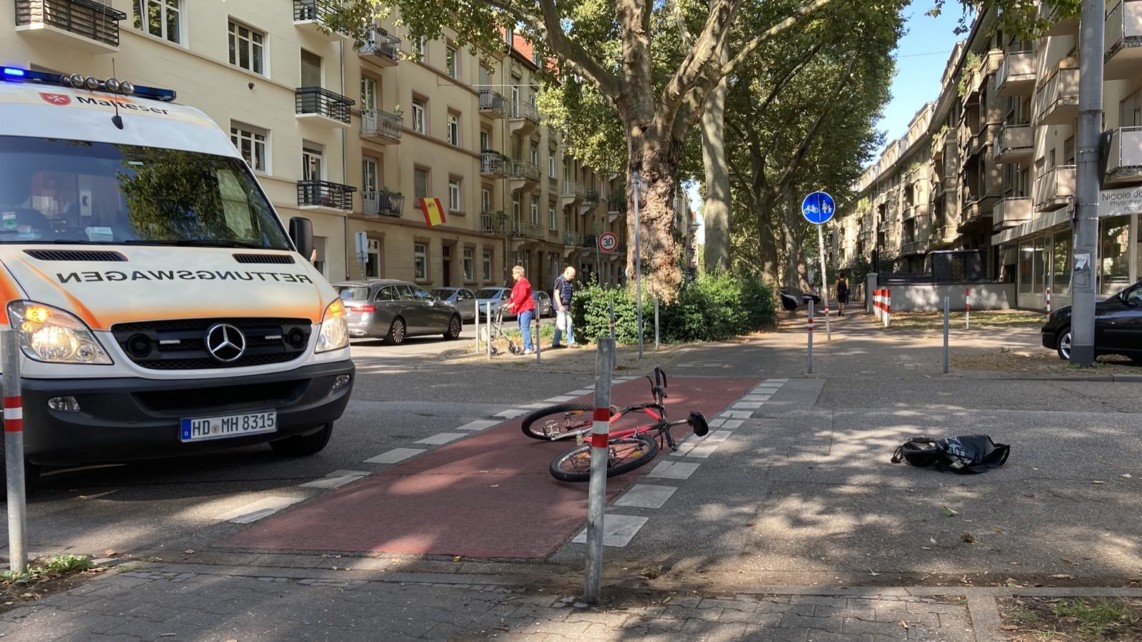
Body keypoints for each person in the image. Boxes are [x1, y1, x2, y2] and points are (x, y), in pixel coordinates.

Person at [505, 265, 536, 355]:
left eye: (514, 273)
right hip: (521, 308)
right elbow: (515, 296)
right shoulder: (518, 283)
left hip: (526, 307)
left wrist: (513, 304)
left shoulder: (523, 282)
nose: (512, 275)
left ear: (519, 273)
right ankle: (527, 346)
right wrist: (508, 303)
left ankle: (529, 347)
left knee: (524, 328)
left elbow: (522, 296)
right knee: (522, 328)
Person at [551, 266, 578, 349]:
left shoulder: (568, 281)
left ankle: (555, 343)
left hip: (564, 306)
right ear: (566, 272)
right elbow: (556, 293)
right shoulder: (560, 280)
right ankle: (571, 342)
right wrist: (560, 306)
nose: (573, 277)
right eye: (572, 275)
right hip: (561, 307)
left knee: (560, 324)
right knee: (569, 322)